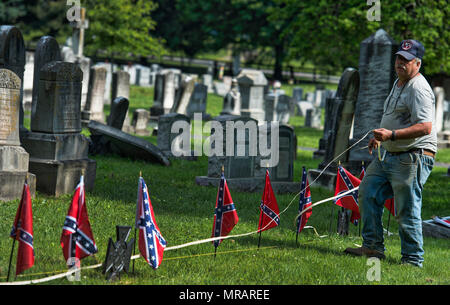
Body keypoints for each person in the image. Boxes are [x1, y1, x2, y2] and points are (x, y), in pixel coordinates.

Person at [344, 39, 437, 268]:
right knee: (368, 192)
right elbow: (395, 118)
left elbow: (425, 127)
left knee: (407, 208)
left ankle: (413, 260)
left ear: (418, 63)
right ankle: (373, 246)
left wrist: (392, 135)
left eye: (406, 60)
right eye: (398, 58)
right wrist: (379, 137)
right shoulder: (399, 82)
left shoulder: (419, 88)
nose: (400, 63)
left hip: (413, 156)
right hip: (389, 153)